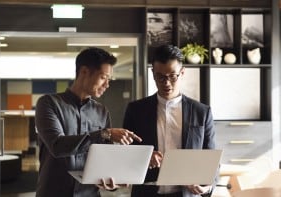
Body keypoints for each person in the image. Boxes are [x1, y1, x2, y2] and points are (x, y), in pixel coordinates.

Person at [35, 47, 142, 197]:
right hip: (53, 192)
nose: (107, 85)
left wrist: (113, 180)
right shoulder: (48, 103)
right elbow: (57, 146)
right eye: (103, 77)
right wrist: (105, 134)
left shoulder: (102, 111)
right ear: (84, 72)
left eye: (109, 79)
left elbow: (104, 158)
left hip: (90, 193)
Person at [123, 45, 217, 197]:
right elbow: (125, 154)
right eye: (160, 76)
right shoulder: (136, 110)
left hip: (186, 193)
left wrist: (206, 188)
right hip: (147, 193)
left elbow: (212, 159)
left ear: (182, 72)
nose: (166, 83)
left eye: (172, 76)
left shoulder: (202, 112)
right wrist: (144, 156)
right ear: (153, 73)